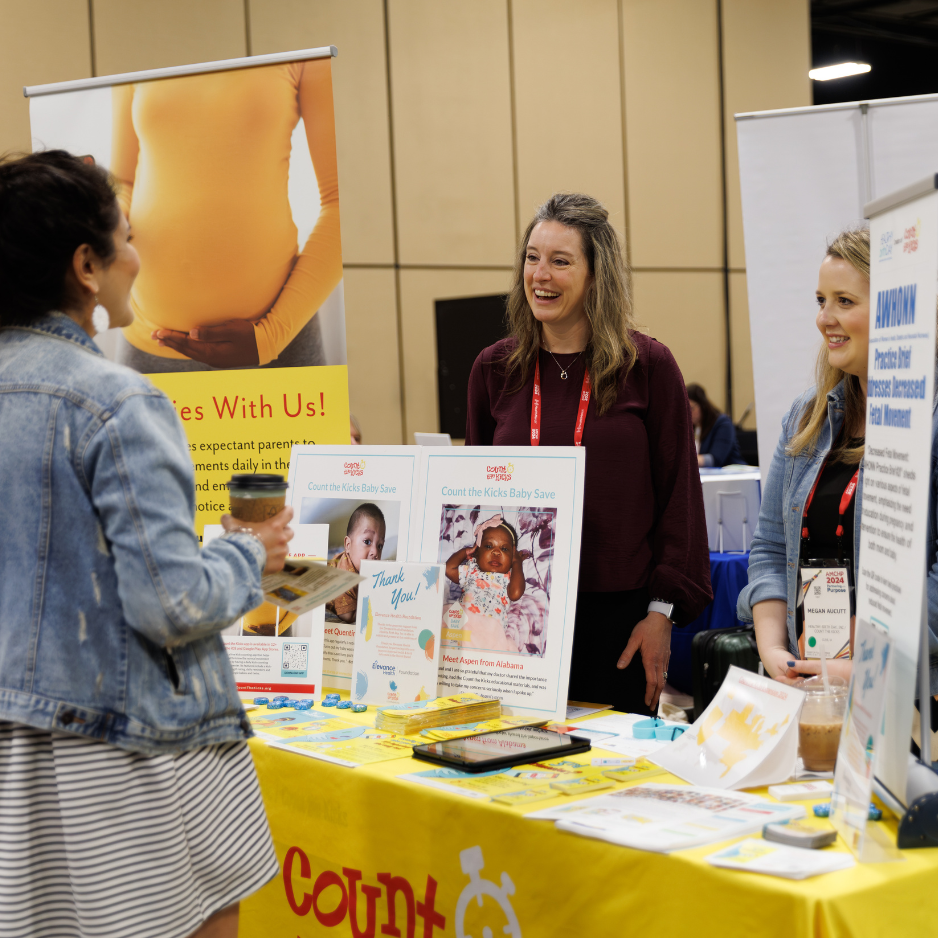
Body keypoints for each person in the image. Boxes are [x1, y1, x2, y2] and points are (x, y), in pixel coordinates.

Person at [0, 150, 294, 938]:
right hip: (124, 756)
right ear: (86, 265)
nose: (140, 255)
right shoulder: (118, 401)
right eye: (126, 236)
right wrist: (244, 554)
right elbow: (171, 604)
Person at [465, 193, 711, 714]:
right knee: (508, 780)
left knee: (610, 782)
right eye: (532, 257)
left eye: (560, 261)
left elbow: (680, 504)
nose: (541, 275)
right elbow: (474, 493)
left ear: (597, 275)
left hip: (618, 625)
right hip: (514, 614)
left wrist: (660, 614)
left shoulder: (647, 367)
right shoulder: (494, 369)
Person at [110, 58, 342, 371]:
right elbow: (123, 183)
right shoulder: (138, 47)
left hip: (274, 341)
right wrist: (100, 223)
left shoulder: (301, 48)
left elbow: (342, 200)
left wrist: (270, 338)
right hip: (148, 337)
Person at [738, 228, 869, 684]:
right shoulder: (807, 416)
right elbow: (771, 546)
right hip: (809, 682)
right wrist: (774, 650)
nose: (825, 319)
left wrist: (866, 668)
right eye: (821, 301)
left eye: (845, 302)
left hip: (905, 696)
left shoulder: (924, 425)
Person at [443, 515, 526, 652]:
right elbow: (448, 569)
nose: (496, 552)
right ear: (477, 552)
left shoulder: (508, 577)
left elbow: (516, 593)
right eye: (488, 546)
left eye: (504, 549)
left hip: (488, 631)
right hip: (461, 624)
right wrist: (465, 552)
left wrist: (517, 563)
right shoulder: (471, 569)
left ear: (512, 557)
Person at [326, 503, 387, 622]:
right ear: (348, 545)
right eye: (367, 541)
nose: (375, 551)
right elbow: (347, 616)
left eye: (380, 545)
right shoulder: (344, 577)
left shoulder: (367, 568)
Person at [686, 382, 744, 467]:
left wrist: (686, 461)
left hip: (731, 476)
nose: (688, 413)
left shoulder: (723, 423)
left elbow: (716, 459)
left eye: (691, 408)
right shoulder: (692, 427)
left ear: (702, 405)